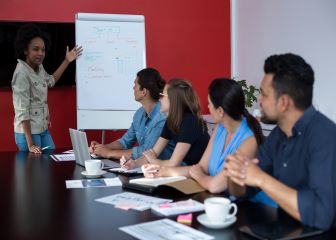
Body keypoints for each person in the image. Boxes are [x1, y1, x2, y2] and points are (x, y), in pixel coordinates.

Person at [225, 53, 336, 230]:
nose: (259, 101)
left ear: (284, 102)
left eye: (264, 95)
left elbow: (321, 215)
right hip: (285, 230)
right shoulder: (278, 136)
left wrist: (261, 179)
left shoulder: (326, 137)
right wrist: (235, 173)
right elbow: (243, 191)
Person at [141, 78, 264, 194]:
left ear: (220, 111)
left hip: (249, 208)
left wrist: (199, 176)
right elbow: (201, 167)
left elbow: (215, 185)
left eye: (209, 104)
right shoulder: (219, 127)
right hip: (219, 199)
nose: (208, 108)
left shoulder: (249, 140)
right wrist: (160, 172)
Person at [12, 23, 82, 154]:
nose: (40, 53)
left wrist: (67, 60)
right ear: (25, 50)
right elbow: (22, 111)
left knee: (50, 163)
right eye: (35, 49)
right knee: (36, 171)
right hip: (28, 134)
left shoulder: (39, 68)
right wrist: (31, 144)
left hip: (42, 130)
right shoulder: (22, 73)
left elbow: (51, 81)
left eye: (43, 50)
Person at [121, 78, 210, 169]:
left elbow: (173, 163)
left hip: (197, 176)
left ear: (173, 100)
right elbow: (154, 153)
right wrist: (134, 163)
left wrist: (153, 161)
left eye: (162, 95)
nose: (159, 99)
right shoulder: (171, 121)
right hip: (184, 171)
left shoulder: (190, 122)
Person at [90, 68, 174, 160]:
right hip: (147, 168)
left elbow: (147, 151)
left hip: (164, 169)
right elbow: (125, 142)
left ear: (144, 92)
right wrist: (102, 148)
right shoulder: (139, 113)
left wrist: (109, 153)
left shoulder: (162, 117)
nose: (133, 87)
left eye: (135, 84)